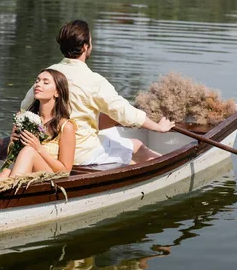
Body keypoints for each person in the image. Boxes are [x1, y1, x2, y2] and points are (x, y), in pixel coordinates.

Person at [21, 20, 174, 166]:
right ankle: (169, 170)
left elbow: (25, 108)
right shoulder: (94, 81)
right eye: (91, 42)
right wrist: (158, 127)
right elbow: (124, 113)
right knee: (137, 145)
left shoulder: (48, 75)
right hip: (80, 154)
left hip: (50, 148)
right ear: (85, 47)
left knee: (105, 120)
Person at [0, 69, 76, 178]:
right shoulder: (24, 118)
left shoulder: (66, 126)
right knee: (5, 172)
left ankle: (10, 187)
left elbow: (65, 171)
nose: (38, 84)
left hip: (50, 177)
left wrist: (38, 148)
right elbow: (12, 157)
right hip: (23, 172)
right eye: (37, 81)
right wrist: (12, 142)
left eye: (45, 82)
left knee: (29, 151)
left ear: (57, 92)